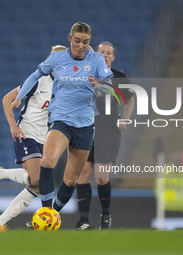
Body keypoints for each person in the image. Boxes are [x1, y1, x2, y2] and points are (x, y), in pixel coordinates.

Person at [10, 22, 113, 213]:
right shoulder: (57, 58)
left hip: (85, 125)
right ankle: (46, 212)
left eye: (85, 42)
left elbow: (111, 88)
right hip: (61, 121)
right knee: (47, 162)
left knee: (70, 179)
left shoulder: (97, 60)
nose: (81, 45)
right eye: (77, 41)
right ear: (69, 39)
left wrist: (99, 85)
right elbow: (34, 75)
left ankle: (53, 214)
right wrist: (19, 96)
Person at [0, 45, 67, 232]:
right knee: (38, 180)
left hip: (47, 139)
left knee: (37, 186)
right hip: (26, 134)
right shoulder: (39, 80)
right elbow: (7, 99)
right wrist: (13, 126)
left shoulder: (67, 86)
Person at [76, 42, 135, 230]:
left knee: (101, 177)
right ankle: (84, 220)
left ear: (113, 57)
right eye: (102, 52)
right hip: (86, 128)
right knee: (83, 175)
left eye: (109, 53)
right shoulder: (85, 74)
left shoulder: (119, 77)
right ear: (96, 54)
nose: (106, 55)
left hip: (109, 130)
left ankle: (106, 215)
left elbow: (131, 99)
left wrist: (125, 119)